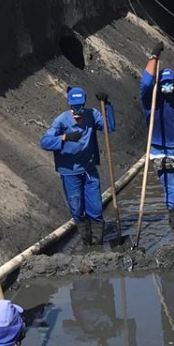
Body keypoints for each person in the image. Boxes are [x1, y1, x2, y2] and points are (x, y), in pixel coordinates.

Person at [39, 87, 115, 246]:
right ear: (69, 105)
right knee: (77, 208)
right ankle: (87, 242)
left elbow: (109, 128)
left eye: (80, 105)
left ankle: (98, 243)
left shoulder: (92, 115)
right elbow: (44, 142)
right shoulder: (61, 121)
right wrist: (64, 137)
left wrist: (107, 105)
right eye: (74, 106)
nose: (78, 109)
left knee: (95, 207)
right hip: (70, 172)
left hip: (88, 169)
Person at [139, 42, 174, 232]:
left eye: (169, 83)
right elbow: (146, 82)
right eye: (163, 84)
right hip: (164, 152)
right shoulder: (152, 99)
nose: (167, 87)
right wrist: (153, 57)